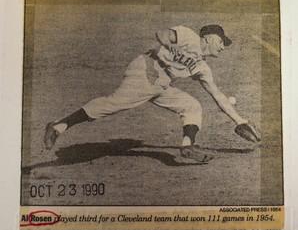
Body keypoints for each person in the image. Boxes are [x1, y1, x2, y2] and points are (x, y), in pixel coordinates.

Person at [44, 24, 259, 162]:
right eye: (222, 42)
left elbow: (218, 95)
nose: (222, 47)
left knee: (192, 106)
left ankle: (187, 147)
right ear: (210, 38)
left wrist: (239, 121)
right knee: (113, 105)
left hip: (160, 85)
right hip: (145, 71)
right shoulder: (189, 36)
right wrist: (170, 46)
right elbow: (161, 34)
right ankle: (58, 126)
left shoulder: (203, 68)